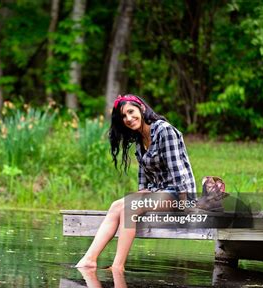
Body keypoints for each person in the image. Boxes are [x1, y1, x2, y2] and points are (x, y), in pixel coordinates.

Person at [75, 94, 196, 271]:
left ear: (142, 108)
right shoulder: (139, 139)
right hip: (159, 192)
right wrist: (141, 193)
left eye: (131, 112)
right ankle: (89, 259)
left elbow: (178, 171)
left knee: (130, 208)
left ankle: (117, 267)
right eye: (124, 116)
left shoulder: (164, 131)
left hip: (180, 193)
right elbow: (143, 175)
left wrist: (185, 204)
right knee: (116, 205)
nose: (128, 119)